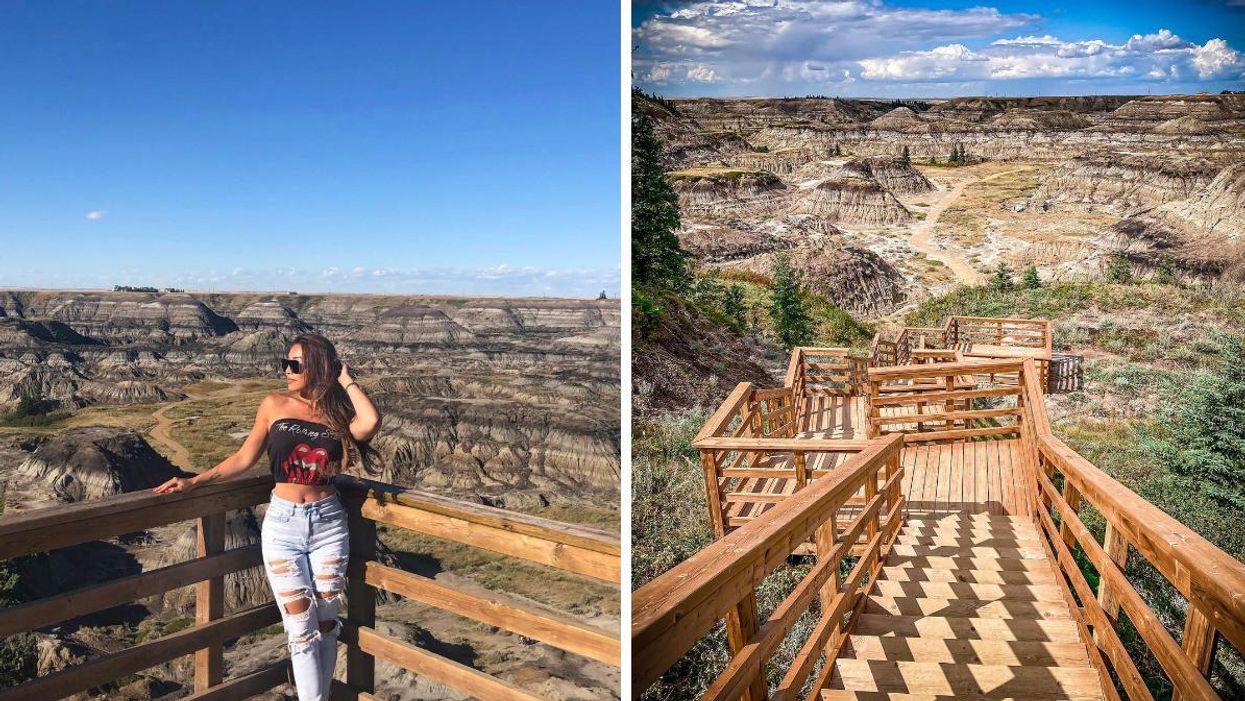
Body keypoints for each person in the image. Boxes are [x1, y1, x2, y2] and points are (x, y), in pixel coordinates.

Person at [154, 332, 381, 701]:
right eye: (284, 363)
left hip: (328, 524)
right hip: (284, 527)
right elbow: (245, 458)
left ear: (318, 367)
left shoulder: (337, 415)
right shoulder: (274, 404)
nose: (286, 370)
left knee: (326, 623)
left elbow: (369, 422)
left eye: (295, 364)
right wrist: (194, 481)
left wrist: (345, 378)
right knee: (301, 628)